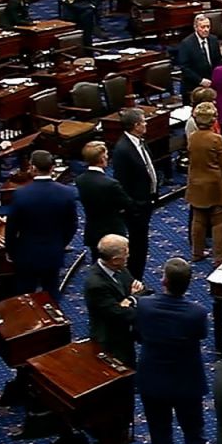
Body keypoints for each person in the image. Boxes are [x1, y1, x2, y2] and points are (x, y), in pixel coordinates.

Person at [135, 258, 213, 444]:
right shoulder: (197, 313)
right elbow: (201, 336)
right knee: (194, 434)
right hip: (186, 382)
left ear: (163, 280)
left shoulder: (144, 306)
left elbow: (137, 334)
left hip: (153, 380)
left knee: (160, 432)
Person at [6, 150, 78, 298]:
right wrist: (60, 243)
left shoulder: (20, 194)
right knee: (51, 291)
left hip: (26, 252)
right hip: (54, 251)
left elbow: (12, 228)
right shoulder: (67, 193)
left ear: (32, 168)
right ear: (52, 168)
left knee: (26, 294)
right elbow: (72, 225)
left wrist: (11, 251)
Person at [84, 234, 147, 367]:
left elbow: (144, 290)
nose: (129, 256)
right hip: (110, 341)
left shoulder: (119, 268)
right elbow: (121, 315)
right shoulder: (96, 284)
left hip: (125, 334)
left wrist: (129, 300)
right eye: (126, 253)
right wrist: (133, 298)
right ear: (115, 260)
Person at [112, 108, 158, 280]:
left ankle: (137, 279)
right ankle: (133, 281)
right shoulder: (122, 150)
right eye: (143, 121)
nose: (146, 124)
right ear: (135, 125)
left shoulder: (139, 141)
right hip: (136, 206)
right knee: (137, 247)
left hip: (146, 200)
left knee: (142, 244)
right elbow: (121, 182)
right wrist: (133, 206)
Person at [186, 102, 222, 264]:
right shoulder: (216, 139)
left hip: (196, 183)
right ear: (213, 120)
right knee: (219, 221)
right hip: (214, 185)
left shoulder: (192, 138)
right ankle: (220, 257)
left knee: (198, 220)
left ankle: (197, 253)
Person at [75, 141, 130, 254]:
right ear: (102, 158)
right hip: (113, 232)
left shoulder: (80, 180)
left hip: (93, 230)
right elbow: (127, 204)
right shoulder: (111, 183)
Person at [178, 13, 220, 100]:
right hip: (193, 86)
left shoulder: (213, 40)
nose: (206, 30)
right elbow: (184, 67)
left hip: (211, 84)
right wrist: (200, 80)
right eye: (203, 27)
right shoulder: (186, 44)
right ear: (195, 27)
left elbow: (217, 61)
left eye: (208, 27)